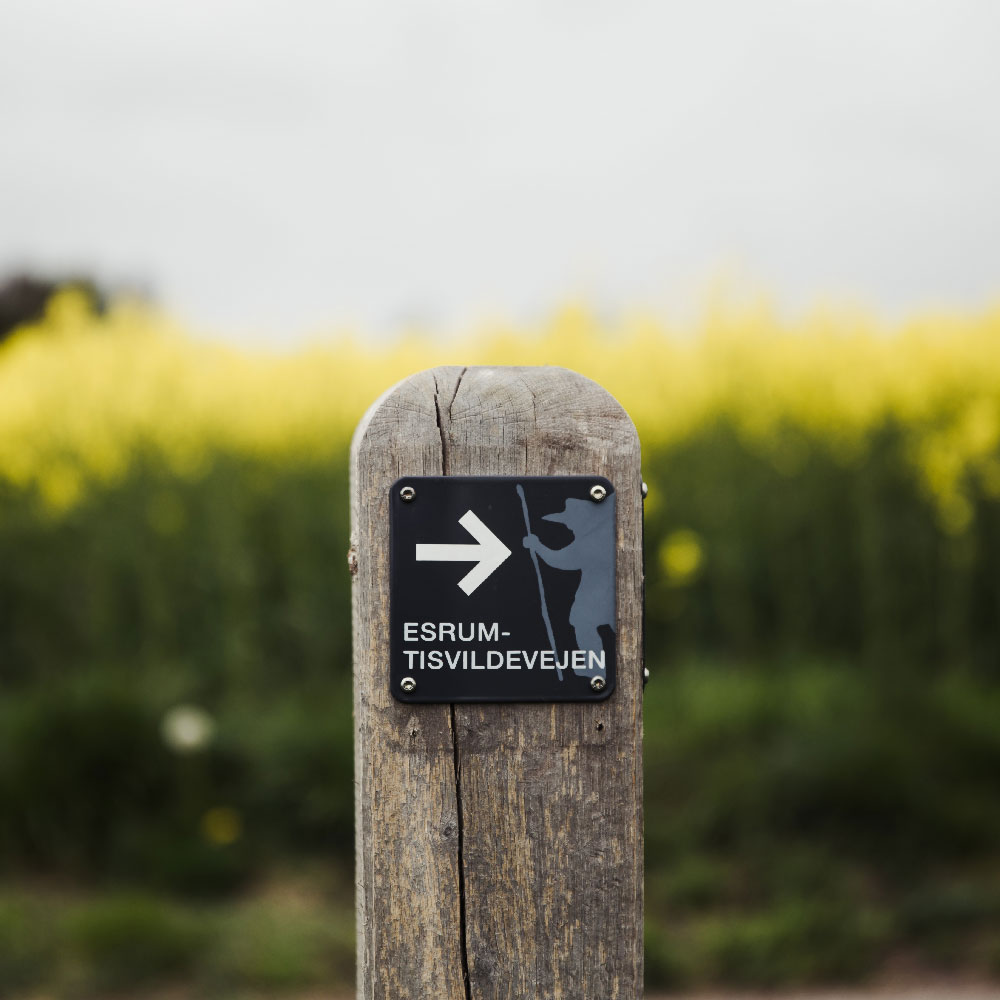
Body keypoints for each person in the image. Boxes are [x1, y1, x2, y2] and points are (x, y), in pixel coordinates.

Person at [522, 497, 615, 669]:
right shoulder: (597, 536)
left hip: (598, 594)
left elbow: (562, 560)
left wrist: (537, 546)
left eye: (571, 522)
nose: (569, 526)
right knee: (597, 622)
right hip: (601, 593)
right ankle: (597, 668)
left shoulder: (589, 543)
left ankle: (595, 669)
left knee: (583, 621)